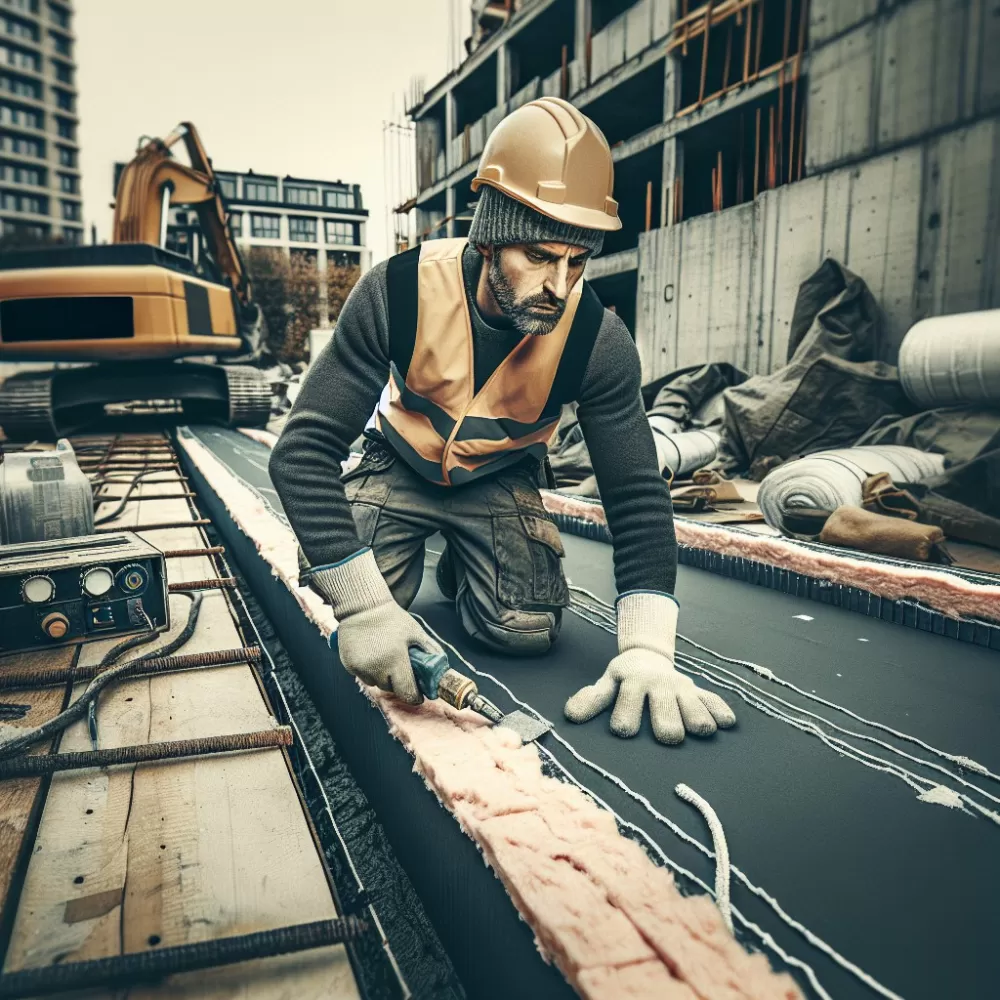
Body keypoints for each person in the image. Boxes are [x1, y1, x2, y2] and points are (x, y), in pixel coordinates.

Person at [269, 97, 735, 745]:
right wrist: (365, 607)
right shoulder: (398, 291)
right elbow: (302, 453)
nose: (560, 284)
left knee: (524, 628)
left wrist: (649, 650)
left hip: (495, 481)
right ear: (489, 236)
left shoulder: (597, 340)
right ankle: (404, 573)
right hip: (398, 464)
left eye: (578, 261)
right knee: (353, 591)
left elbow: (634, 494)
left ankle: (468, 565)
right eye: (541, 256)